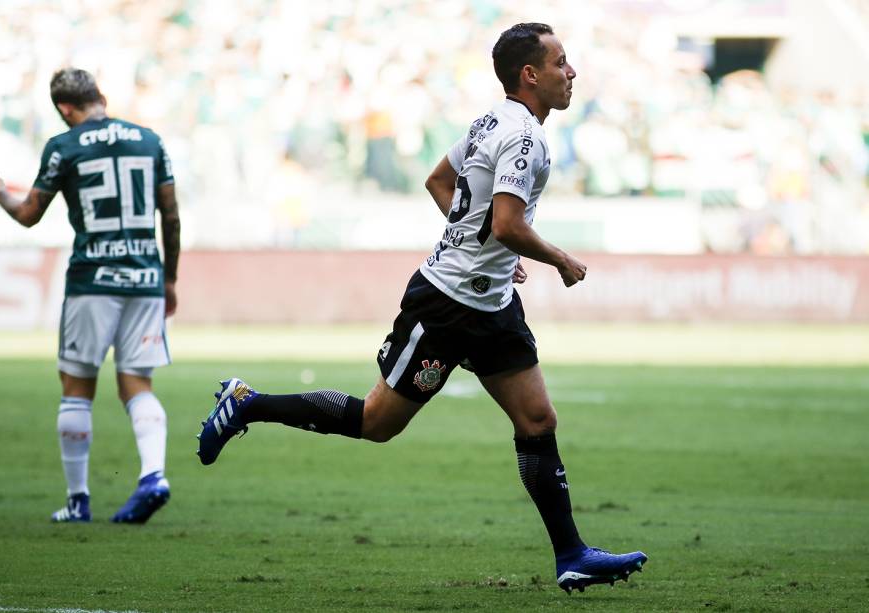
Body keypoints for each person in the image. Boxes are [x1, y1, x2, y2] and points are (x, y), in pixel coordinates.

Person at [196, 23, 647, 592]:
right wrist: (557, 259)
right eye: (562, 62)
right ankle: (247, 403)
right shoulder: (523, 136)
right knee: (376, 423)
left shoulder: (493, 121)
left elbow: (442, 182)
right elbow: (504, 222)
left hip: (493, 306)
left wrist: (484, 249)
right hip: (447, 306)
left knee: (537, 420)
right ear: (530, 74)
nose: (572, 73)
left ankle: (571, 554)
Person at [0, 68, 180, 524]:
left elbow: (30, 213)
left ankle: (78, 502)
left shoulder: (64, 145)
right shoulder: (150, 141)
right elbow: (170, 215)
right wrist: (168, 279)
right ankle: (154, 475)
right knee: (137, 384)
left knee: (76, 388)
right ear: (102, 98)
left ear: (65, 110)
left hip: (93, 280)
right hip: (145, 277)